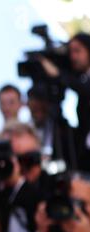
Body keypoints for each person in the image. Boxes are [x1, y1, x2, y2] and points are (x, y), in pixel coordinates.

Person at [39, 33, 90, 172]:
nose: (73, 57)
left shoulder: (81, 83)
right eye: (70, 52)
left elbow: (84, 89)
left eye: (78, 51)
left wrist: (58, 74)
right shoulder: (80, 78)